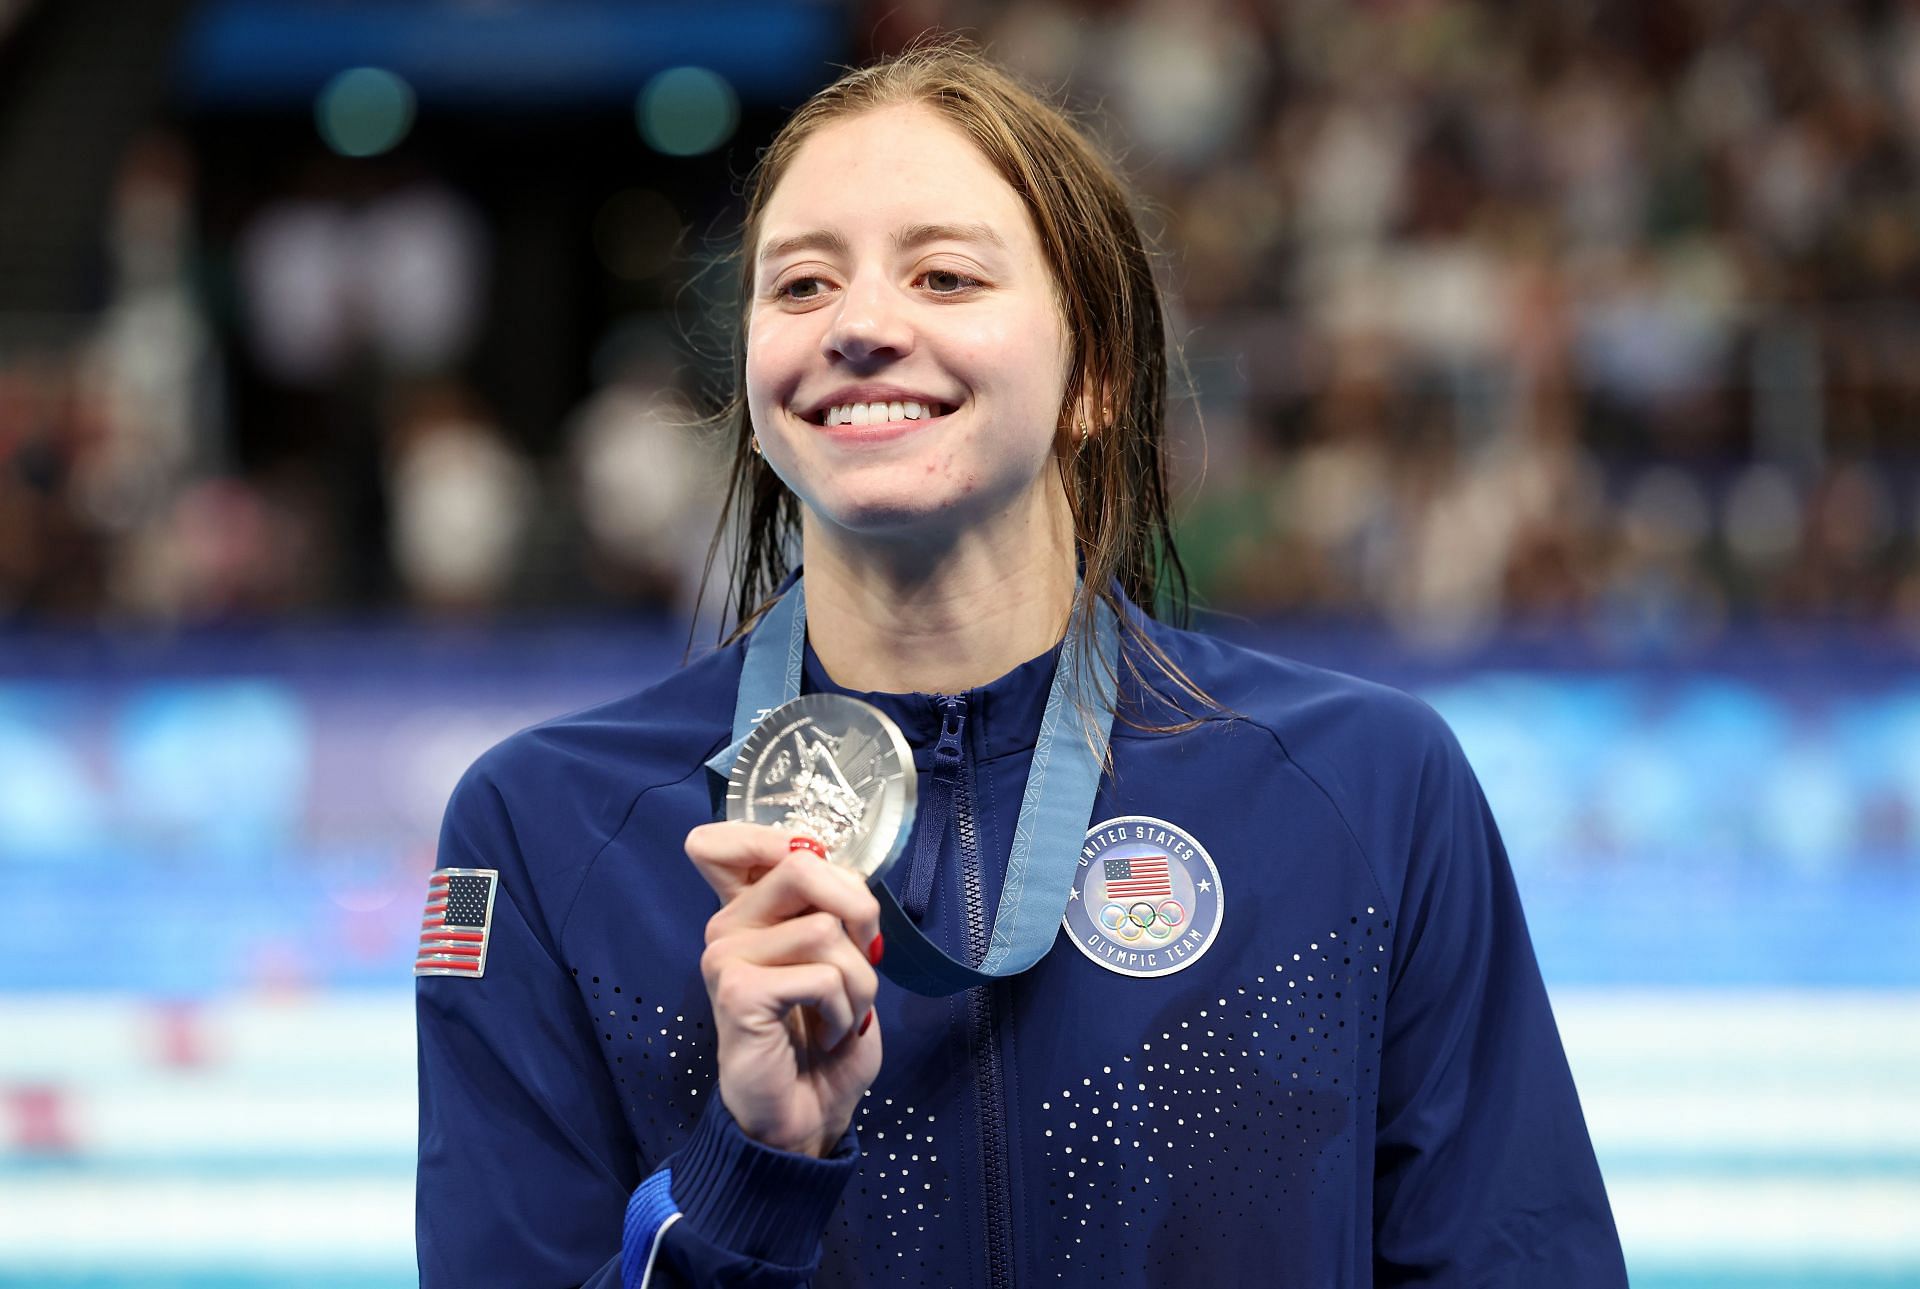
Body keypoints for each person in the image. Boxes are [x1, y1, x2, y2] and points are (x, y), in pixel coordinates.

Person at [414, 40, 1628, 1288]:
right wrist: (752, 1168)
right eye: (801, 286)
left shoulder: (1369, 792)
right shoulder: (550, 832)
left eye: (944, 276)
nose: (864, 326)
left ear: (1093, 371)